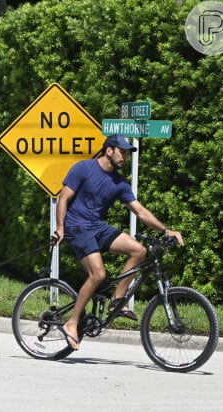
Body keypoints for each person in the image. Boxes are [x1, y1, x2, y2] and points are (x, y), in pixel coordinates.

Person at [53, 134, 184, 350]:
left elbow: (140, 211)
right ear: (109, 150)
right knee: (99, 274)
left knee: (139, 251)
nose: (125, 156)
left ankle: (117, 299)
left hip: (97, 226)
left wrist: (166, 230)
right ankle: (71, 323)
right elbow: (63, 198)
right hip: (76, 227)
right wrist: (60, 228)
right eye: (122, 152)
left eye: (127, 153)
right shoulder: (83, 168)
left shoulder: (119, 183)